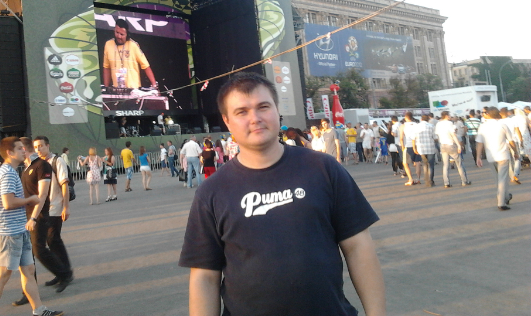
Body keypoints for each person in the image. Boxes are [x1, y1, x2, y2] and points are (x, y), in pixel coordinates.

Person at [179, 72, 386, 316]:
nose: (255, 118)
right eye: (242, 112)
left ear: (277, 110)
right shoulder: (211, 191)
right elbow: (204, 276)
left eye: (263, 107)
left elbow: (358, 247)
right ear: (227, 121)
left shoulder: (323, 168)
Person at [0, 136, 63, 316]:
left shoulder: (11, 171)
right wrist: (31, 200)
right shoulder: (7, 173)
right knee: (2, 275)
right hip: (8, 233)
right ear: (9, 152)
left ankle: (39, 310)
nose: (23, 150)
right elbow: (8, 202)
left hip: (19, 230)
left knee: (28, 270)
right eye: (19, 148)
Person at [12, 137, 55, 307]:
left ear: (23, 149)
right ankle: (29, 292)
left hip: (38, 216)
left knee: (37, 251)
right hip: (25, 217)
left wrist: (33, 218)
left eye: (18, 148)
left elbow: (42, 195)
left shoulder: (42, 165)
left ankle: (64, 273)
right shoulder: (26, 168)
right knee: (28, 256)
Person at [34, 136, 74, 293]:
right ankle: (61, 272)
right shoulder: (38, 163)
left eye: (41, 146)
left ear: (48, 145)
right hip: (43, 208)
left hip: (55, 206)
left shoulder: (57, 161)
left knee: (53, 239)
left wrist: (66, 207)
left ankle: (66, 273)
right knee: (52, 241)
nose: (38, 149)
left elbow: (64, 184)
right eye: (36, 147)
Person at [476, 107, 518, 210]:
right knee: (503, 179)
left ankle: (506, 196)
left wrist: (478, 157)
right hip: (503, 155)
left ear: (488, 114)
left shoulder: (482, 127)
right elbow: (511, 141)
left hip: (491, 157)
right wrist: (516, 152)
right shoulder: (502, 125)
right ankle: (501, 202)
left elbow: (479, 143)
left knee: (497, 179)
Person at [102, 18, 157, 89]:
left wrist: (154, 85)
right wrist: (105, 88)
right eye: (117, 32)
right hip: (117, 90)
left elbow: (146, 66)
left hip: (134, 90)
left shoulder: (133, 45)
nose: (119, 36)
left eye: (122, 34)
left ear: (127, 34)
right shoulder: (108, 44)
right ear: (114, 30)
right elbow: (106, 67)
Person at [435, 111, 471, 188]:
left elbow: (437, 135)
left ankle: (446, 182)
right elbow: (453, 135)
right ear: (446, 116)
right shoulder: (449, 123)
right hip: (451, 144)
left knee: (445, 165)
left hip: (443, 145)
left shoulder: (438, 124)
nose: (450, 116)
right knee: (459, 164)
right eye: (449, 115)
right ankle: (464, 181)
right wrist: (458, 145)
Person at [413, 115, 436, 187]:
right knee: (431, 165)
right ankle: (431, 180)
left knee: (424, 164)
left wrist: (414, 148)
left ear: (421, 119)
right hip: (430, 147)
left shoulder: (416, 126)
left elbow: (413, 138)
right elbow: (435, 137)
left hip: (421, 148)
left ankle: (426, 180)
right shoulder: (431, 126)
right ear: (428, 119)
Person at [400, 113, 420, 185]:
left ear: (405, 118)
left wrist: (402, 146)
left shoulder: (403, 126)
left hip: (408, 145)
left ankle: (410, 179)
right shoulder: (417, 125)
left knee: (405, 163)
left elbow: (401, 138)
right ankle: (418, 179)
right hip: (417, 145)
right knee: (417, 162)